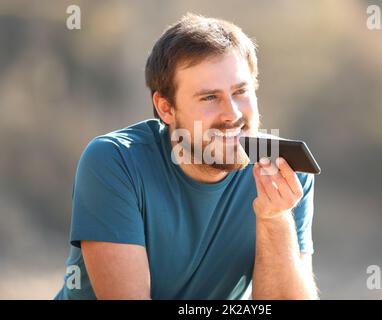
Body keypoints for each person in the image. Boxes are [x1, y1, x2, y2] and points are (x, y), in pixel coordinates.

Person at [54, 13, 318, 300]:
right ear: (166, 108)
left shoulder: (282, 171)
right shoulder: (115, 161)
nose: (232, 114)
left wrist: (274, 218)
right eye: (209, 97)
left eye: (241, 91)